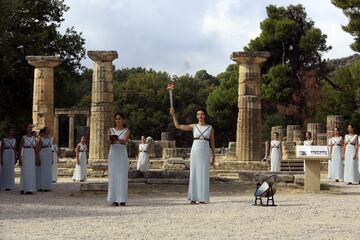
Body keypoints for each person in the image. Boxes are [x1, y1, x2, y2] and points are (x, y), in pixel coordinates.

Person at [170, 107, 215, 204]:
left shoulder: (210, 128)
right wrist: (174, 115)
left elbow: (212, 143)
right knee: (194, 173)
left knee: (204, 173)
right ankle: (193, 197)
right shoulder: (194, 126)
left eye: (202, 114)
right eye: (198, 114)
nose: (200, 116)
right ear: (196, 116)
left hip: (205, 150)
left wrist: (214, 156)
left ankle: (203, 198)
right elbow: (178, 126)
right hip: (195, 150)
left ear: (205, 115)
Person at [107, 113, 130, 206]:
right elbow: (108, 140)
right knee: (113, 176)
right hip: (113, 154)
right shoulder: (110, 130)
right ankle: (114, 199)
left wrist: (116, 139)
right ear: (114, 120)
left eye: (120, 119)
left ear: (122, 120)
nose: (118, 120)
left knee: (122, 176)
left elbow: (124, 141)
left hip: (122, 154)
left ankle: (122, 199)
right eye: (116, 119)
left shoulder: (126, 130)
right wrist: (113, 140)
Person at [19, 123, 36, 194]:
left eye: (31, 127)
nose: (30, 129)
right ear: (26, 129)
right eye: (29, 127)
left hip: (32, 155)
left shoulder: (33, 138)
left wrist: (36, 157)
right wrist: (20, 158)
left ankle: (30, 188)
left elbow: (35, 148)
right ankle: (23, 188)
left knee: (31, 172)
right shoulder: (23, 138)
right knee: (25, 171)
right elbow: (20, 149)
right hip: (25, 154)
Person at [36, 127, 53, 191]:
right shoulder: (40, 138)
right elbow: (37, 148)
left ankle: (47, 186)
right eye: (47, 130)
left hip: (48, 154)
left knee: (48, 170)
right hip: (43, 154)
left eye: (48, 130)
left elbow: (51, 149)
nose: (48, 131)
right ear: (44, 131)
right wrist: (38, 158)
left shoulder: (49, 138)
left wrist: (52, 158)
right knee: (42, 170)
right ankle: (40, 186)